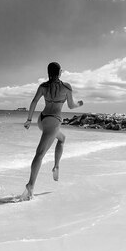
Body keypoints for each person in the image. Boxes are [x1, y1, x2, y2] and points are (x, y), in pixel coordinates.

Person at [21, 62, 83, 200]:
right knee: (40, 153)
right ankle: (30, 185)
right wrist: (80, 104)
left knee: (62, 139)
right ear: (60, 72)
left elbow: (34, 101)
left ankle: (56, 166)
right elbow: (72, 106)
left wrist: (29, 120)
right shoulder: (66, 87)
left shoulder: (43, 86)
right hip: (54, 121)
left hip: (42, 120)